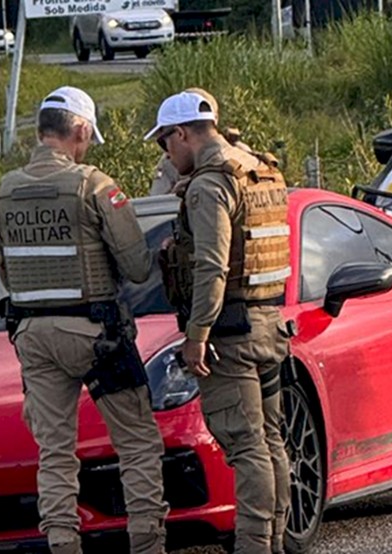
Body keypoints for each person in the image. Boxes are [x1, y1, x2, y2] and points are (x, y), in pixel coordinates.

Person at [0, 86, 168, 554]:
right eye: (89, 138)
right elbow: (135, 267)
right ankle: (147, 544)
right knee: (137, 443)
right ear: (81, 130)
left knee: (54, 452)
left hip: (31, 334)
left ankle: (63, 545)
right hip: (96, 334)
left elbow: (7, 271)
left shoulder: (7, 189)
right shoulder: (93, 184)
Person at [148, 91, 291, 554]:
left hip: (230, 331)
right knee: (270, 440)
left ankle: (254, 546)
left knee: (247, 447)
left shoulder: (211, 184)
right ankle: (276, 538)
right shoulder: (257, 169)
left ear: (183, 133)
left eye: (164, 143)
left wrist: (197, 335)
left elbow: (211, 266)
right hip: (269, 320)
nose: (166, 155)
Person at [149, 87, 252, 196]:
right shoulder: (250, 158)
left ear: (180, 134)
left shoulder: (203, 183)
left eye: (164, 142)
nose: (168, 153)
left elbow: (157, 205)